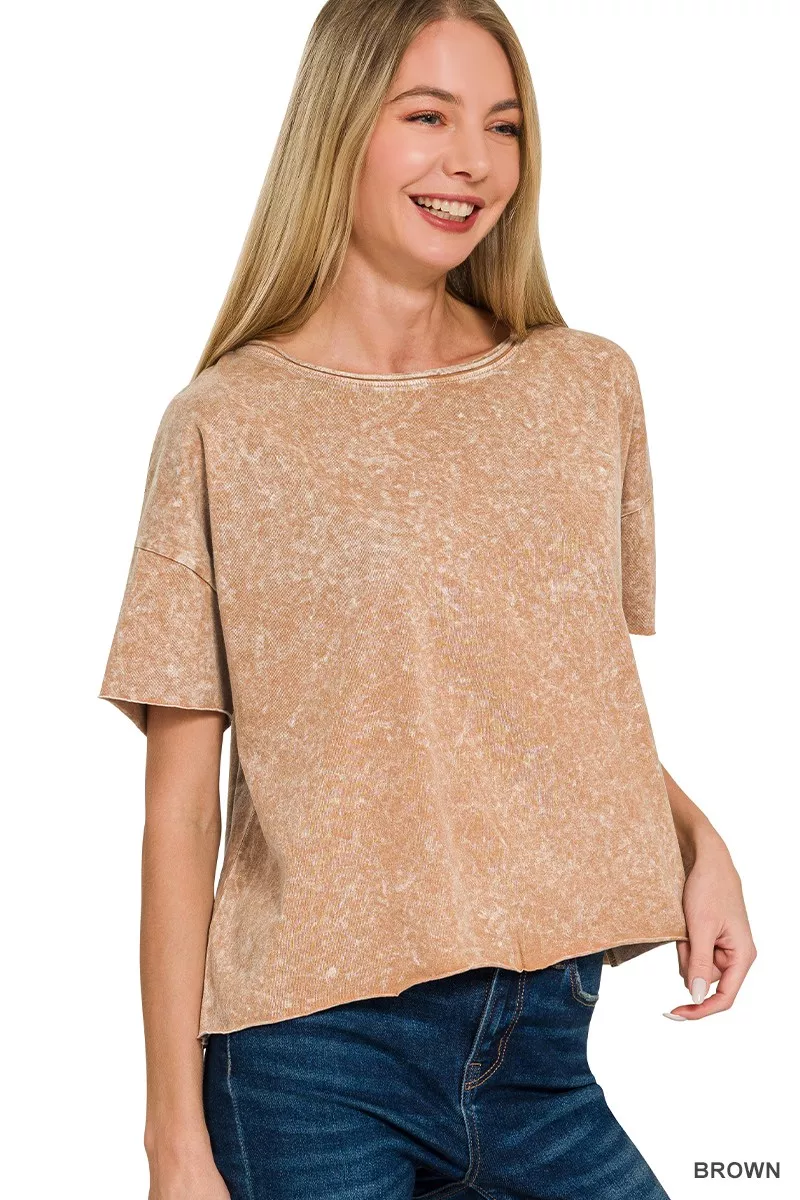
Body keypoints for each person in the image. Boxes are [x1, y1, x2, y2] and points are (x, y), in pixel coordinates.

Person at [98, 2, 757, 1197]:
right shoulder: (225, 425)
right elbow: (180, 812)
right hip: (310, 1060)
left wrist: (696, 841)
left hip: (540, 1049)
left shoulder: (580, 387)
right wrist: (171, 1140)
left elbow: (543, 703)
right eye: (427, 116)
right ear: (339, 128)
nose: (471, 162)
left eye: (501, 126)